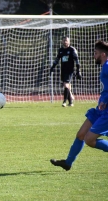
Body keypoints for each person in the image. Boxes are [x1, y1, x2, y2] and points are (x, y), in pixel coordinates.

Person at [50, 40, 108, 171]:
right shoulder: (104, 67)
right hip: (100, 110)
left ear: (103, 54)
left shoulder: (107, 67)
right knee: (81, 135)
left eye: (96, 53)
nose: (94, 55)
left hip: (106, 112)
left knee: (89, 140)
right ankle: (68, 163)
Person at [50, 36, 82, 107]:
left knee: (66, 85)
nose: (65, 42)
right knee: (67, 86)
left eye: (66, 40)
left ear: (69, 42)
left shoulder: (72, 49)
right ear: (62, 42)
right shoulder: (60, 50)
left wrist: (78, 70)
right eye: (64, 40)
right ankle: (71, 102)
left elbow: (77, 60)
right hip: (63, 70)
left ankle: (64, 102)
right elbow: (57, 59)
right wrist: (53, 67)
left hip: (70, 70)